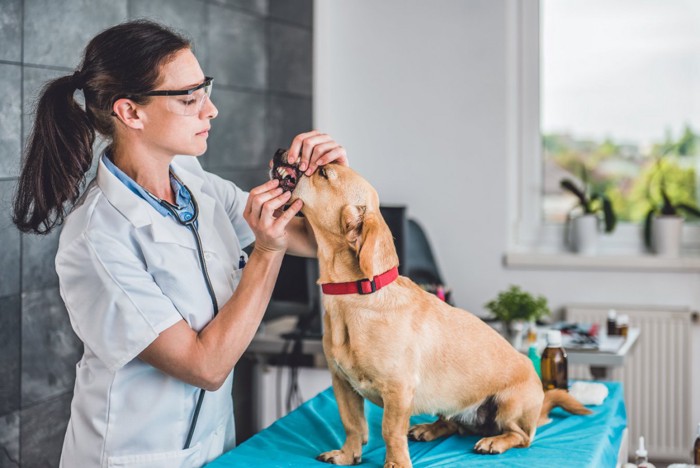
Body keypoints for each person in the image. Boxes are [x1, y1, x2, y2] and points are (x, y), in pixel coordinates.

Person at [12, 20, 348, 467]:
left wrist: (331, 183)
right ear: (130, 112)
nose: (211, 111)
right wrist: (266, 253)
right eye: (190, 99)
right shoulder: (98, 238)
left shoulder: (193, 184)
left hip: (211, 446)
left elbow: (314, 238)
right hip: (136, 455)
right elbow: (204, 367)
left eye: (204, 90)